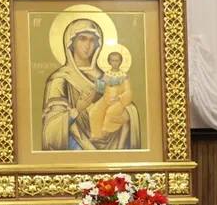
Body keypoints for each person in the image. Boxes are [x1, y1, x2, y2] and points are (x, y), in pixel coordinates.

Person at [40, 18, 141, 150]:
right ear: (71, 43)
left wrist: (124, 107)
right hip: (77, 147)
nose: (87, 45)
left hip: (115, 148)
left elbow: (122, 101)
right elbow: (51, 131)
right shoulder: (60, 80)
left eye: (92, 40)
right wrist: (77, 110)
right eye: (82, 39)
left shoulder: (105, 77)